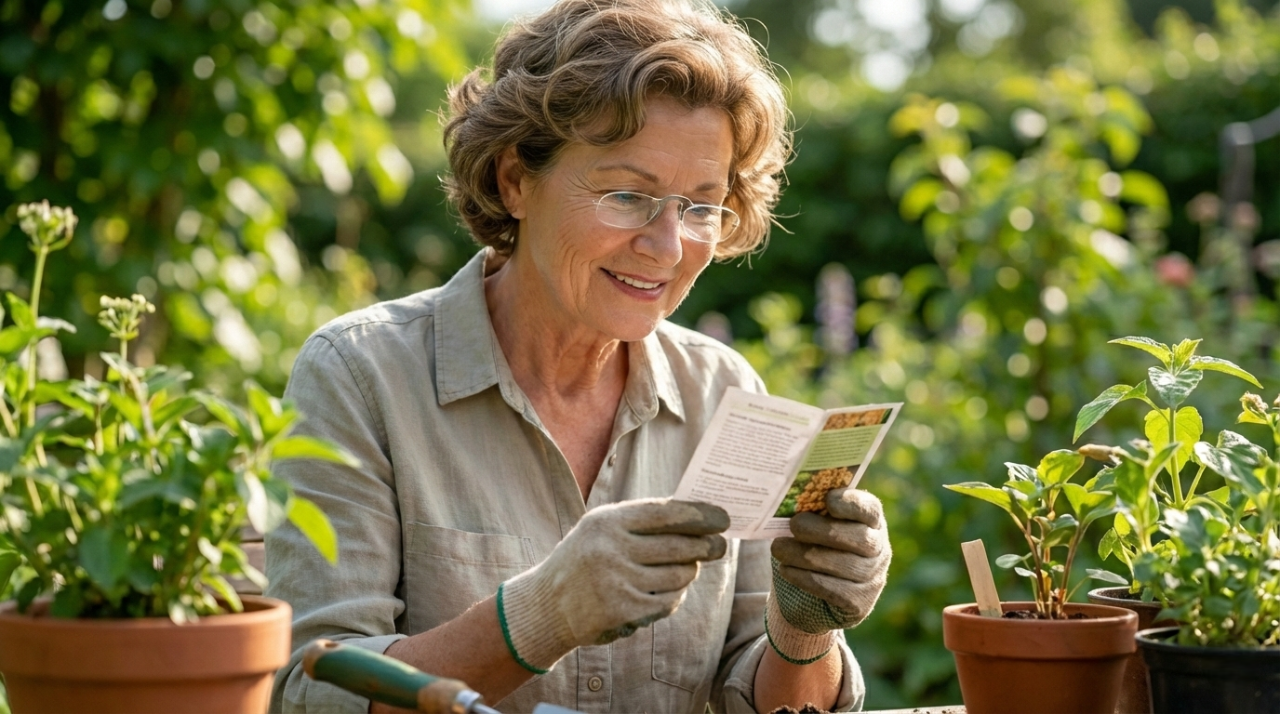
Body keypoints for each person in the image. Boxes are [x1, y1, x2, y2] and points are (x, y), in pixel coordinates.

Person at [266, 1, 891, 712]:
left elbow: (764, 698)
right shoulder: (361, 376)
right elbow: (314, 694)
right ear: (514, 180)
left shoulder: (724, 391)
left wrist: (803, 630)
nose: (668, 246)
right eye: (627, 195)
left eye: (700, 206)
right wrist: (541, 615)